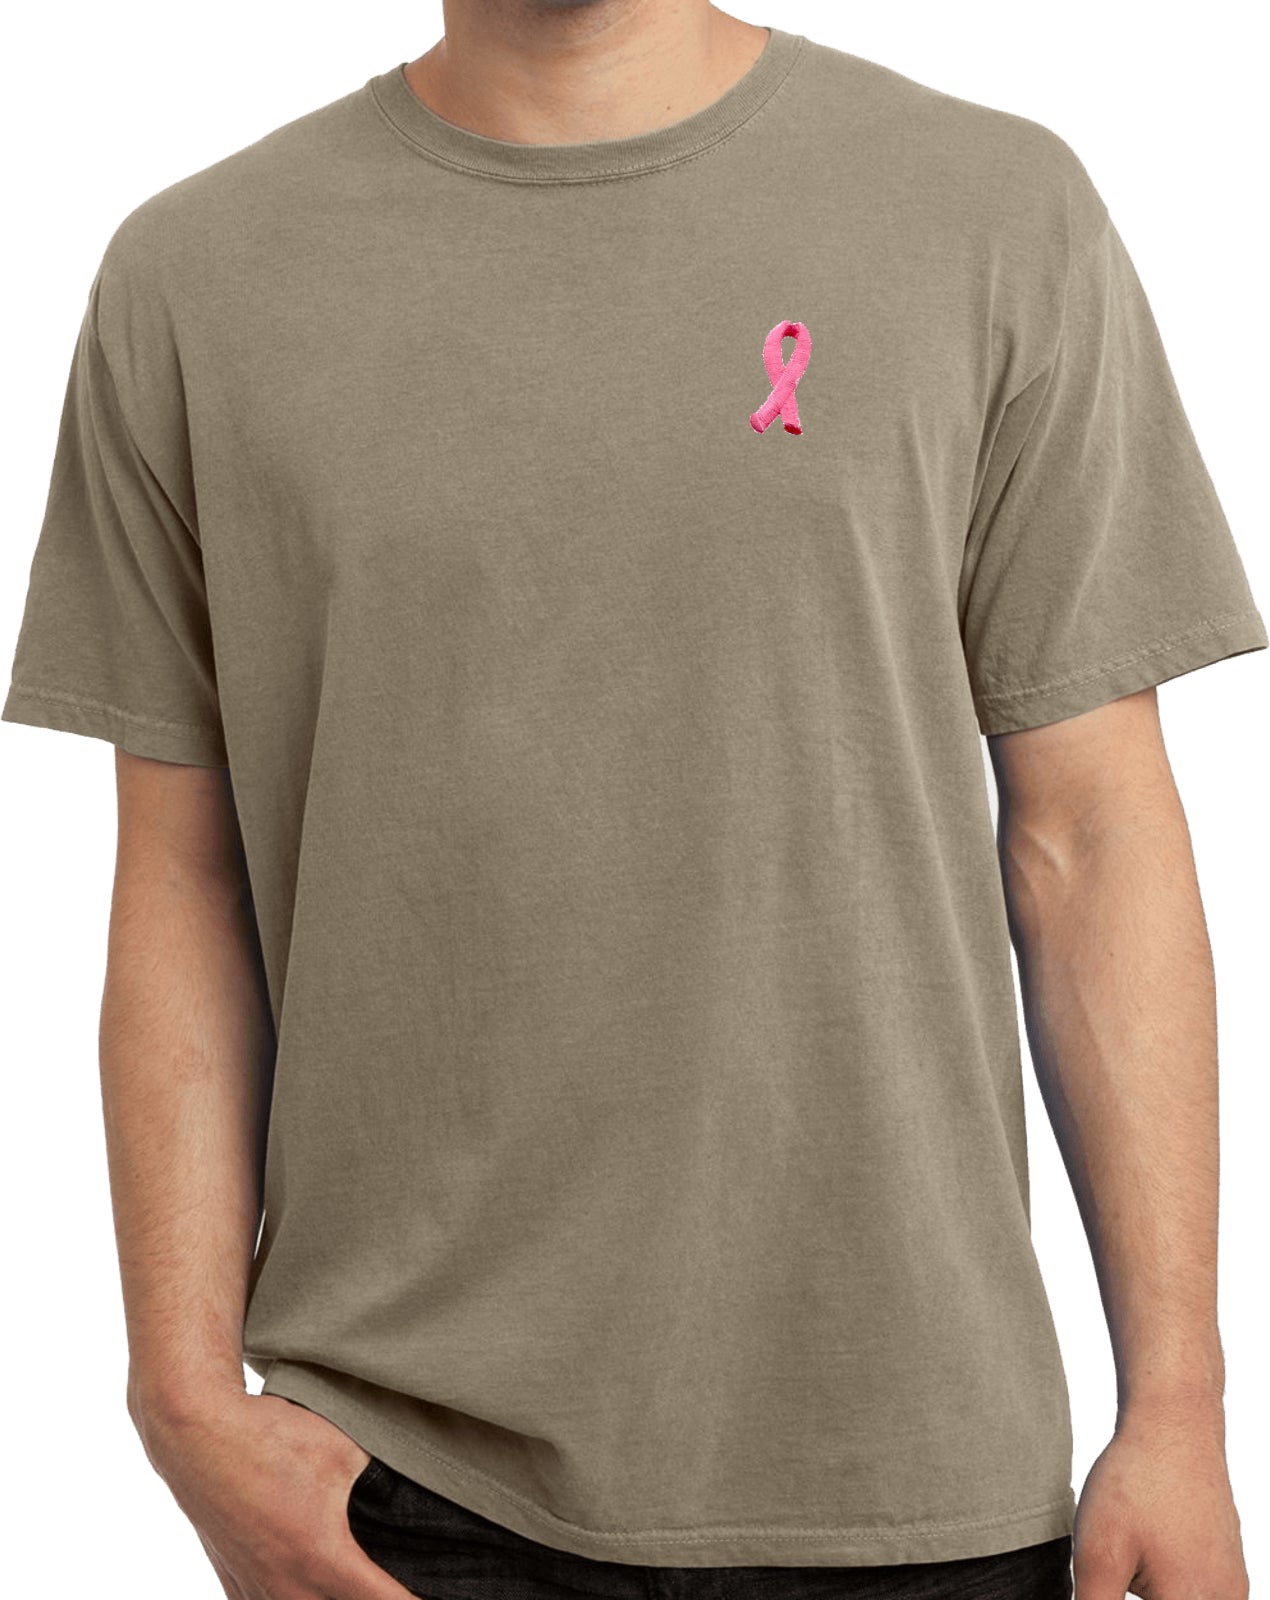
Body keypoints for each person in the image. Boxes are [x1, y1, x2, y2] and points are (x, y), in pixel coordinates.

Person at [3, 2, 1263, 1597]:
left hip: (909, 1468)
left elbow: (1091, 838)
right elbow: (184, 876)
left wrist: (1179, 1408)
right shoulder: (197, 276)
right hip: (398, 1483)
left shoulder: (990, 212)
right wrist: (181, 1402)